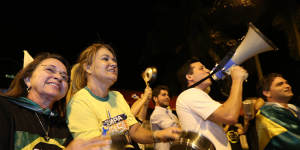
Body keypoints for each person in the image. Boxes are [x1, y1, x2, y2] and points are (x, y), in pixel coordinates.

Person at [66, 43, 181, 149]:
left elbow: (134, 131)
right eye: (105, 59)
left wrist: (158, 134)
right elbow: (95, 145)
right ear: (88, 67)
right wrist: (123, 139)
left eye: (114, 60)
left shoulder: (117, 96)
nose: (114, 64)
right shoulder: (79, 102)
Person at [0, 52, 110, 150]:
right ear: (28, 79)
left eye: (64, 76)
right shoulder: (4, 109)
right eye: (49, 70)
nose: (58, 77)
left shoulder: (64, 126)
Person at [176, 57, 248, 150]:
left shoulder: (198, 95)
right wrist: (237, 80)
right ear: (189, 76)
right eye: (201, 68)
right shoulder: (190, 94)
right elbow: (230, 115)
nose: (208, 71)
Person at [255, 73, 300, 150]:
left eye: (287, 83)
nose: (287, 86)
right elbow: (291, 142)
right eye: (280, 84)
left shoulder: (294, 108)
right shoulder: (266, 114)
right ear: (267, 93)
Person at [150, 85, 180, 150]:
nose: (167, 97)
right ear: (155, 99)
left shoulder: (170, 113)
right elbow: (175, 129)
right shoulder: (156, 114)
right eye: (163, 95)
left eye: (168, 95)